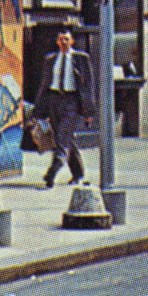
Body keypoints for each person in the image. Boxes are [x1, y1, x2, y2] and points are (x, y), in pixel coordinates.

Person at [35, 28, 95, 188]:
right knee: (66, 138)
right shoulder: (51, 59)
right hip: (54, 100)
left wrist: (89, 111)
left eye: (66, 39)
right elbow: (44, 85)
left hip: (71, 101)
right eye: (60, 39)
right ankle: (78, 173)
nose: (63, 42)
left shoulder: (81, 59)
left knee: (62, 139)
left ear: (72, 41)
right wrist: (39, 109)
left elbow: (88, 86)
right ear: (57, 41)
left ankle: (52, 172)